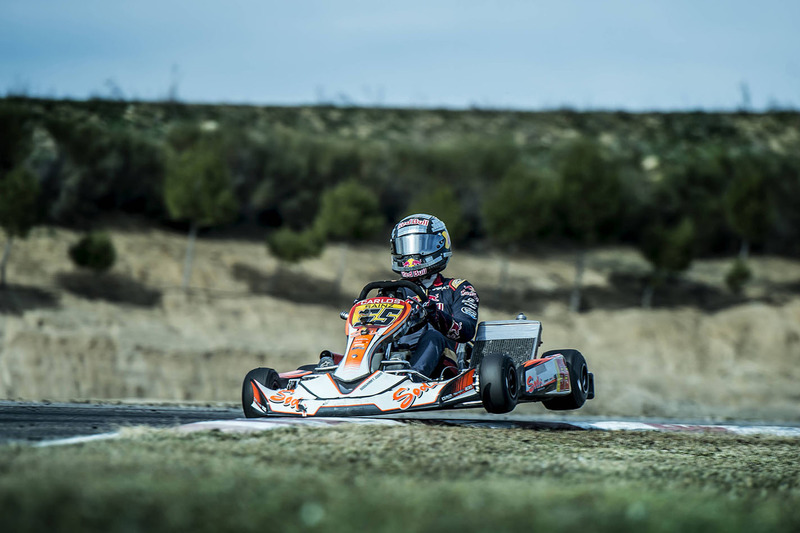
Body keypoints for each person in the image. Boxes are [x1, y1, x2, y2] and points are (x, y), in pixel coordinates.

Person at [388, 214, 479, 377]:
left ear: (438, 245)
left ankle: (411, 379)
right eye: (406, 246)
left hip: (443, 365)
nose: (411, 254)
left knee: (433, 335)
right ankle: (352, 375)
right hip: (396, 358)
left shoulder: (457, 288)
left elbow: (466, 330)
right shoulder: (394, 290)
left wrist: (437, 316)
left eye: (419, 245)